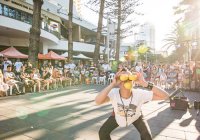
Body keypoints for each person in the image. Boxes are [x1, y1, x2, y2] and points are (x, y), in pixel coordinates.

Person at [95, 68, 169, 140]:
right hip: (118, 115)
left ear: (133, 82)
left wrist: (145, 83)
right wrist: (112, 84)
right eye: (123, 78)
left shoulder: (139, 94)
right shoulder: (114, 93)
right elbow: (98, 101)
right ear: (119, 83)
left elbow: (166, 96)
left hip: (136, 116)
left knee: (147, 135)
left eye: (129, 78)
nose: (127, 80)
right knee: (102, 132)